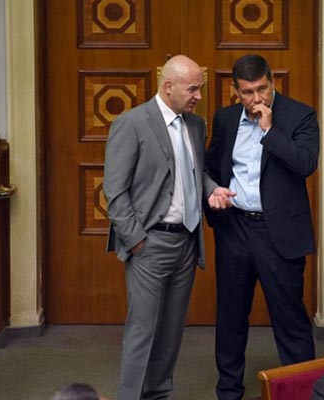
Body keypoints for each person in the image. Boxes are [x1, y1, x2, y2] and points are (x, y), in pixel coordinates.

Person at [204, 54, 320, 400]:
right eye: (248, 92)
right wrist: (215, 193)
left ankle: (300, 393)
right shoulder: (225, 119)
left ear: (272, 82)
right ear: (235, 91)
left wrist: (270, 131)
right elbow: (211, 166)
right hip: (235, 229)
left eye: (262, 89)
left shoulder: (299, 115)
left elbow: (306, 163)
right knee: (230, 317)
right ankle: (228, 391)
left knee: (290, 318)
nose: (257, 99)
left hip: (277, 233)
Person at [103, 55, 211, 400]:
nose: (198, 96)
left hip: (187, 242)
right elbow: (114, 192)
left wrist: (213, 190)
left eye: (199, 89)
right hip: (150, 244)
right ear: (168, 86)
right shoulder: (132, 123)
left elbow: (195, 173)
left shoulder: (196, 125)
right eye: (192, 89)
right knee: (142, 331)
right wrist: (137, 241)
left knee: (171, 331)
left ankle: (158, 394)